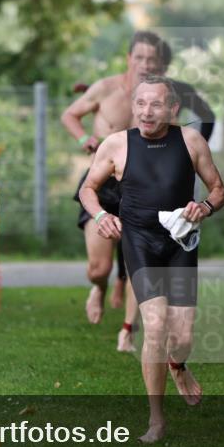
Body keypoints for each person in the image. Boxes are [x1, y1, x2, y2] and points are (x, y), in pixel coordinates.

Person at [80, 75, 224, 443]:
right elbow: (88, 189)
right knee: (156, 325)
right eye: (141, 103)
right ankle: (157, 419)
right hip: (140, 240)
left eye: (156, 104)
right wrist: (101, 216)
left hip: (180, 242)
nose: (147, 111)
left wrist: (204, 207)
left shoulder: (191, 141)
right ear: (134, 106)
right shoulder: (116, 145)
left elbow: (219, 190)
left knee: (182, 336)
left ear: (173, 109)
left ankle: (178, 365)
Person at [60, 31, 164, 349]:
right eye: (140, 58)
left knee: (138, 263)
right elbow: (70, 115)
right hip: (102, 184)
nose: (145, 64)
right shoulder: (106, 88)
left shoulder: (160, 97)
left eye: (152, 59)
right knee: (98, 267)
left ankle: (127, 330)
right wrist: (84, 140)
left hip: (140, 186)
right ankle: (101, 287)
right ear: (129, 59)